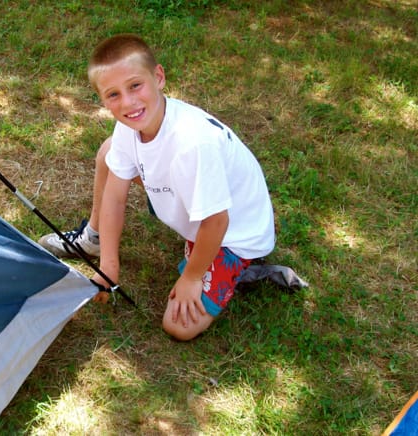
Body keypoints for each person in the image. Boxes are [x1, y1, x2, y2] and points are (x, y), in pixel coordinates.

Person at [39, 34, 275, 341]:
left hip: (232, 234)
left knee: (178, 326)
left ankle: (237, 267)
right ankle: (92, 240)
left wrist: (192, 277)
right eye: (113, 95)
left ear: (159, 77)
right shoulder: (130, 124)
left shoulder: (193, 143)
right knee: (109, 155)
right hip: (193, 202)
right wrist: (109, 265)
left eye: (135, 85)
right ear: (102, 99)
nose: (128, 102)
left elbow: (217, 221)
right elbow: (115, 194)